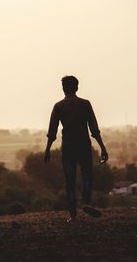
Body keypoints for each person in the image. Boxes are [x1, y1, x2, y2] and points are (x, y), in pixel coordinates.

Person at [44, 75, 108, 222]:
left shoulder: (59, 106)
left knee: (70, 181)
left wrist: (47, 150)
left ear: (63, 89)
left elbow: (52, 131)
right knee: (87, 177)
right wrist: (102, 147)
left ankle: (72, 216)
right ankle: (86, 203)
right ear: (77, 87)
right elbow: (94, 128)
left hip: (68, 148)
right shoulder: (85, 104)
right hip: (84, 146)